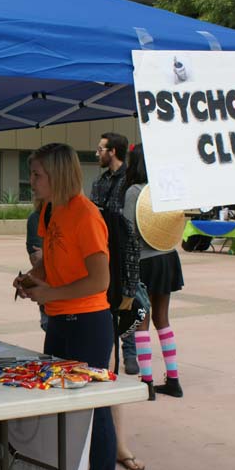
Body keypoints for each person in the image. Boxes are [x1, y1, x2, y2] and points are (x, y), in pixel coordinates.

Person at [13, 143, 115, 470]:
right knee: (56, 402)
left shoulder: (86, 215)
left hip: (89, 324)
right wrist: (32, 279)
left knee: (94, 410)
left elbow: (100, 280)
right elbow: (51, 262)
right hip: (59, 321)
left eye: (37, 174)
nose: (32, 180)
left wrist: (49, 293)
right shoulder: (49, 212)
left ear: (56, 174)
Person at [124, 144, 184, 400]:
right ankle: (173, 379)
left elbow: (128, 229)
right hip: (168, 257)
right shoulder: (164, 191)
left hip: (144, 262)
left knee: (141, 321)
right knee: (163, 320)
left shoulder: (133, 192)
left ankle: (146, 381)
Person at [91, 132, 140, 376]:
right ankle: (110, 354)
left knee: (130, 302)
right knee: (109, 303)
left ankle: (130, 353)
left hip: (126, 252)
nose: (97, 153)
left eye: (101, 149)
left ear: (113, 152)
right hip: (104, 249)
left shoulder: (129, 181)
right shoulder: (99, 182)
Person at [25, 200, 49, 330]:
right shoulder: (37, 218)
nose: (33, 181)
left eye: (38, 177)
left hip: (80, 309)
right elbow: (37, 258)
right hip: (49, 307)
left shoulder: (84, 214)